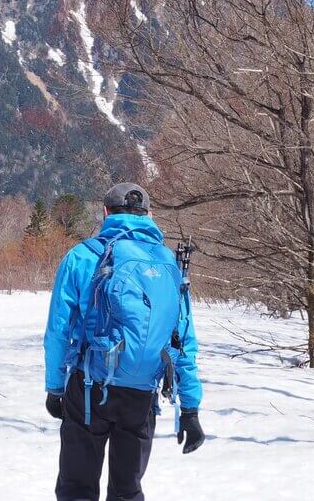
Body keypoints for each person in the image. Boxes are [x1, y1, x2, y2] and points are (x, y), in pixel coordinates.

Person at [43, 183, 204, 501]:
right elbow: (184, 340)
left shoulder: (83, 256)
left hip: (90, 388)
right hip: (143, 392)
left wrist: (55, 388)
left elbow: (58, 331)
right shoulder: (169, 265)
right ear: (150, 216)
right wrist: (190, 409)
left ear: (105, 213)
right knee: (127, 490)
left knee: (76, 488)